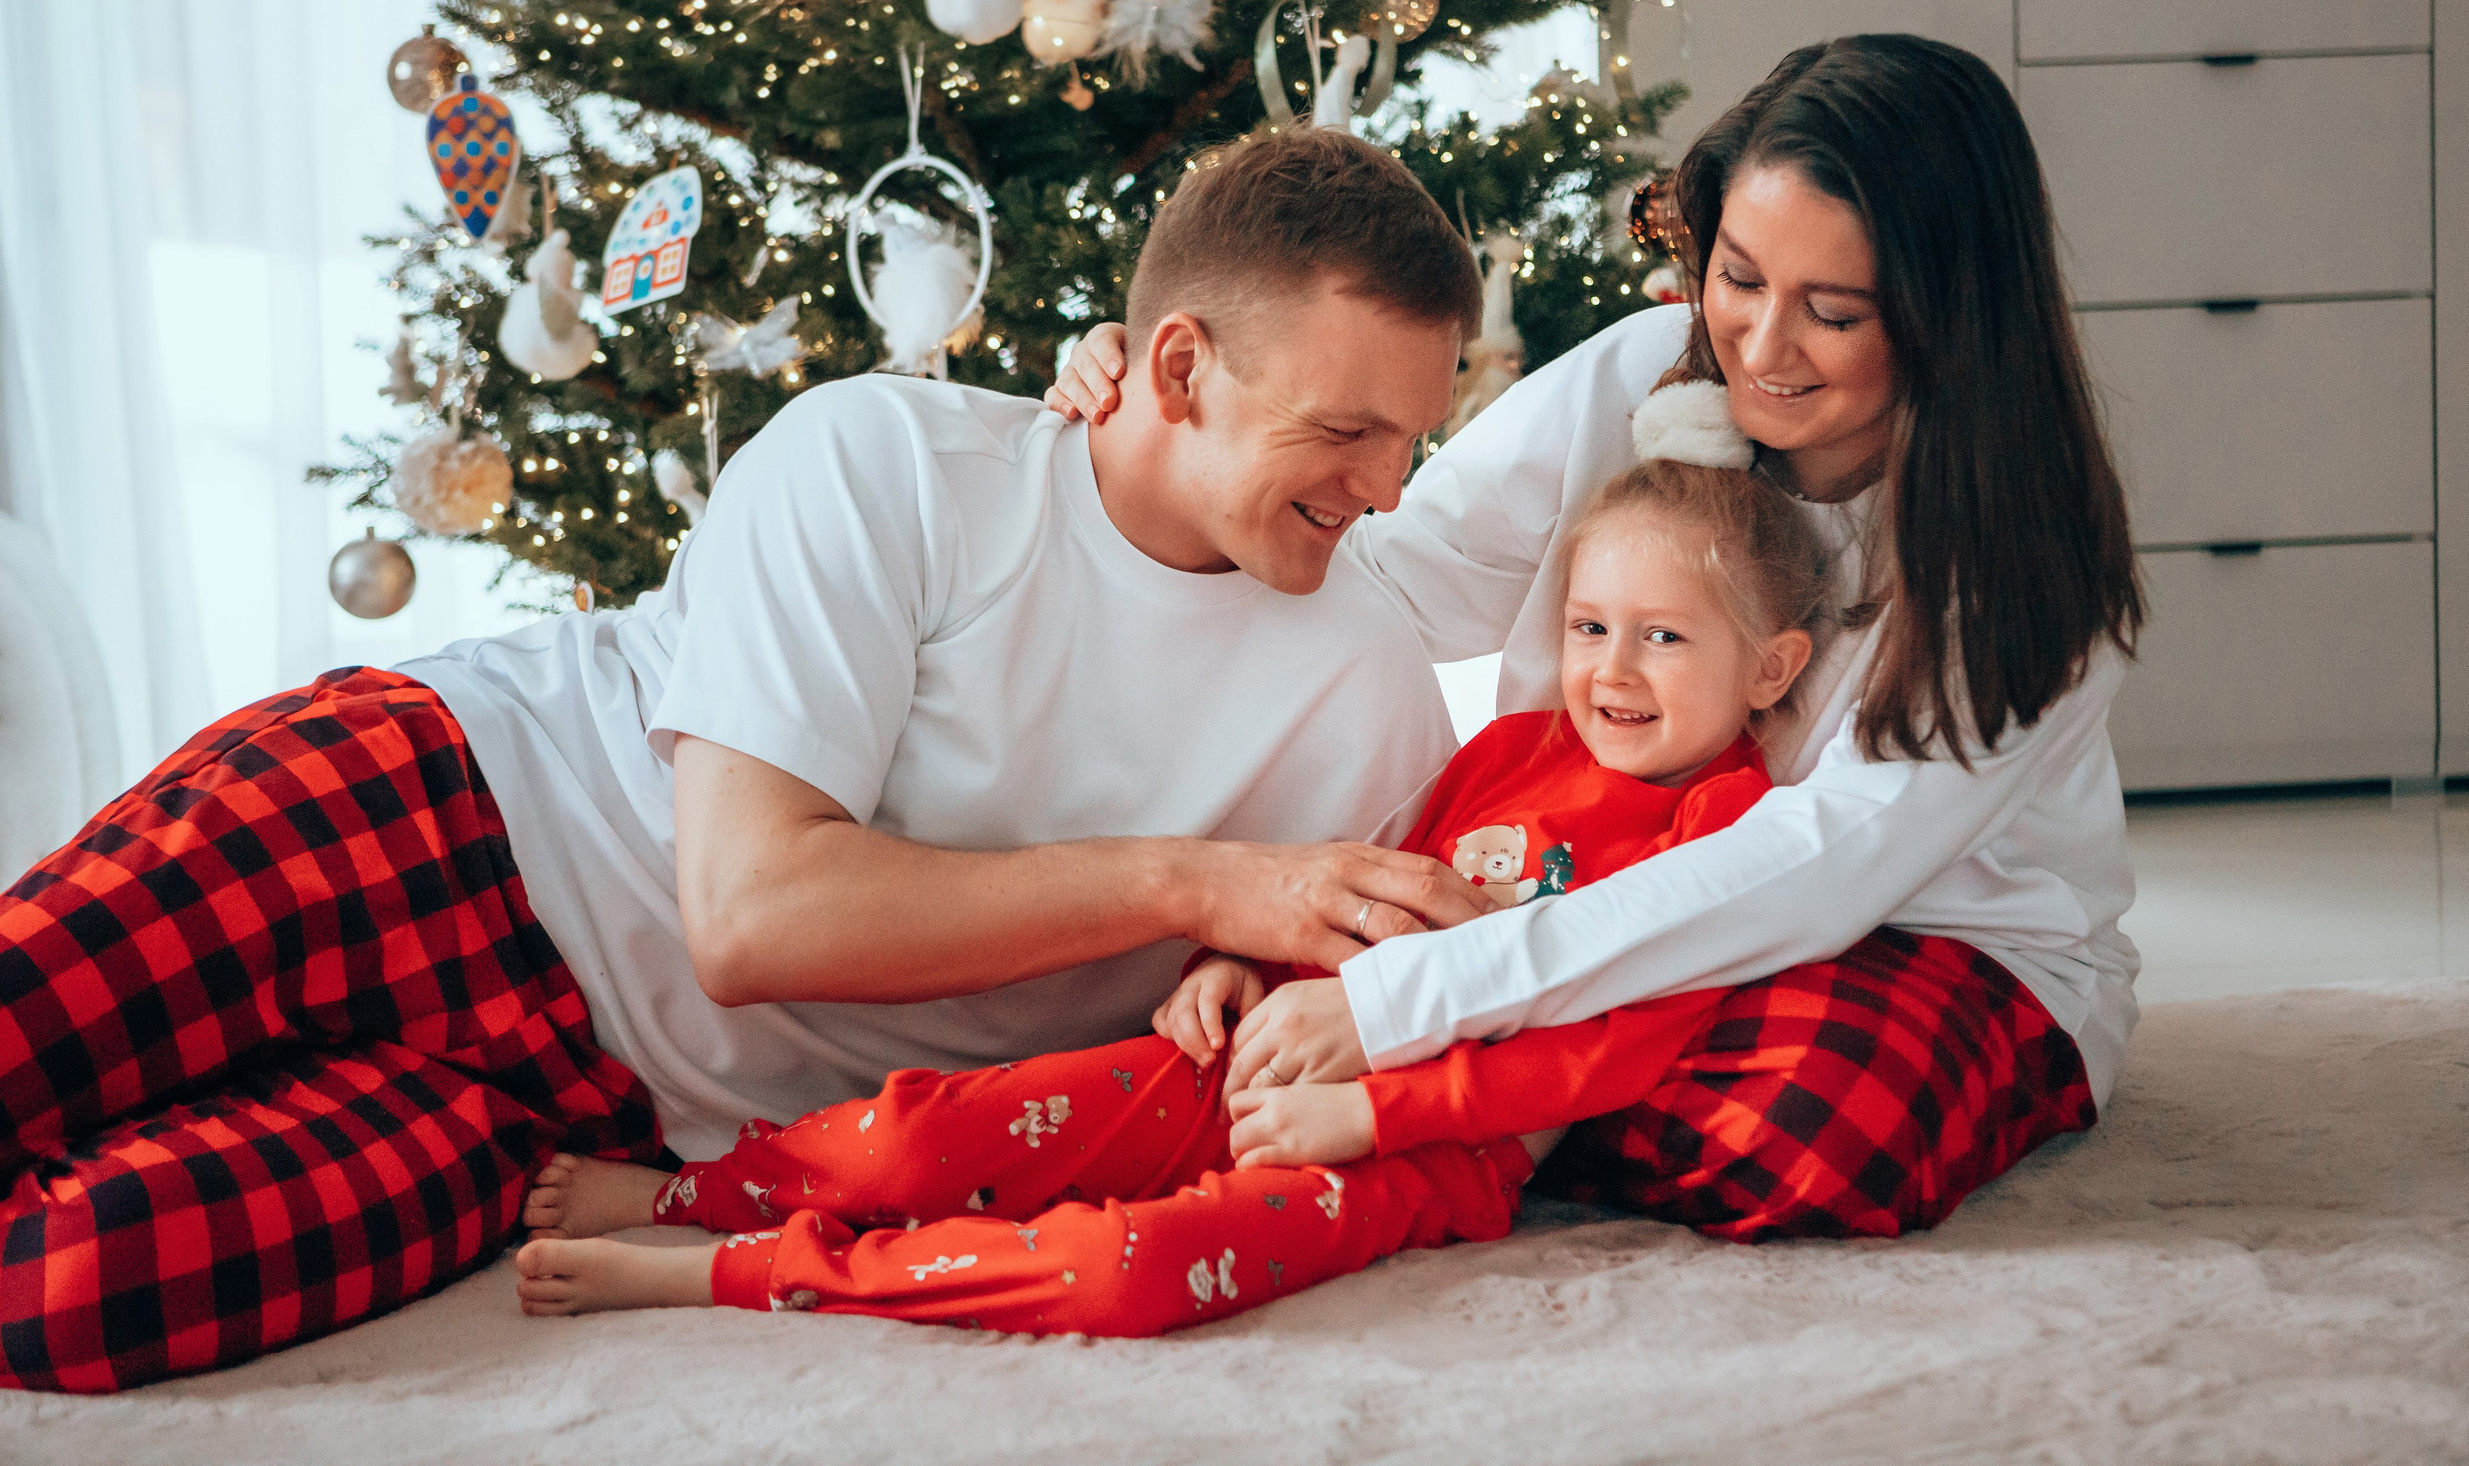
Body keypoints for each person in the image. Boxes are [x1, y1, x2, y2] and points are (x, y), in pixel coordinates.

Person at [0, 128, 1507, 1392]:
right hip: (436, 814)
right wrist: (1202, 884)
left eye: (1412, 442)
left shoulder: (1370, 699)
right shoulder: (891, 462)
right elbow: (751, 918)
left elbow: (1366, 1018)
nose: (1384, 491)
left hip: (575, 1111)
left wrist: (1250, 968)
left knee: (69, 1290)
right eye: (1345, 430)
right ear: (1178, 369)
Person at [1046, 34, 2143, 1236]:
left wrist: (1401, 1000)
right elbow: (1383, 579)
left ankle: (1464, 1101)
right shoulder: (1635, 378)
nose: (1761, 349)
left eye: (1832, 313)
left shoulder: (2020, 562)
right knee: (1313, 978)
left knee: (1811, 1126)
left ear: (1948, 318)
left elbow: (1820, 873)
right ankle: (1485, 1094)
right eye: (1737, 279)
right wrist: (1173, 424)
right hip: (1575, 883)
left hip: (1896, 944)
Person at [507, 396, 1897, 1333]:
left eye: (1665, 637)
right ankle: (691, 1194)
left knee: (1124, 1269)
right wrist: (1233, 958)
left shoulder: (1729, 828)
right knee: (943, 1132)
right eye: (1590, 626)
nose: (1612, 669)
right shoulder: (1511, 748)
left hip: (1415, 1154)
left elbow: (1607, 1050)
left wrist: (1370, 1122)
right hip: (1255, 1054)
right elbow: (1369, 879)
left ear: (1772, 667)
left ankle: (742, 1274)